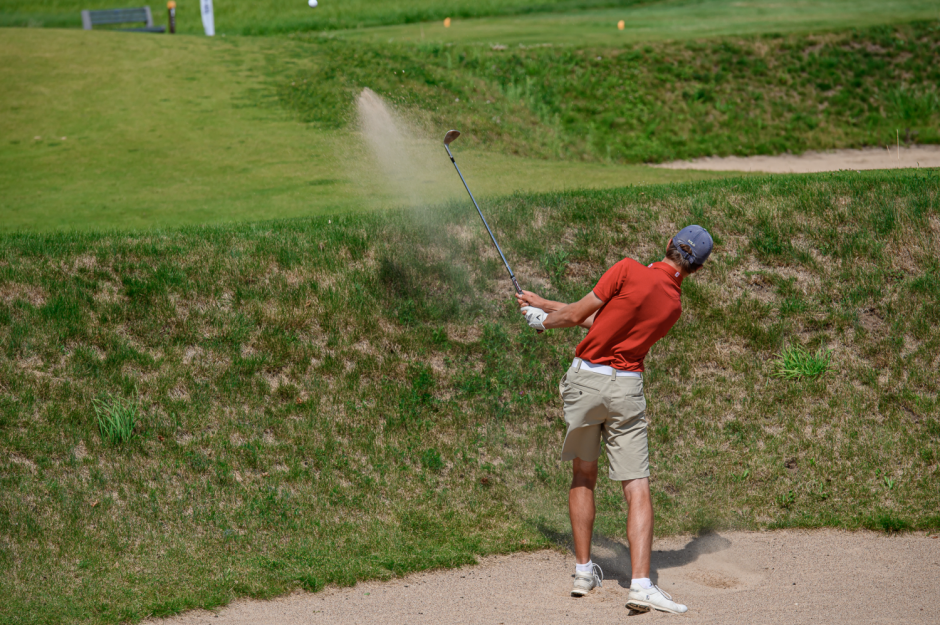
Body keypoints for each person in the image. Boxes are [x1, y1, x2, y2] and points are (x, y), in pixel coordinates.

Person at [517, 225, 714, 615]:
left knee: (582, 474)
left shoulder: (626, 269)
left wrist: (543, 320)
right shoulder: (673, 305)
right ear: (696, 270)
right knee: (636, 484)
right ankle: (641, 585)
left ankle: (582, 573)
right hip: (625, 391)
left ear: (669, 244)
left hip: (585, 383)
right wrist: (547, 304)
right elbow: (599, 322)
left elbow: (580, 316)